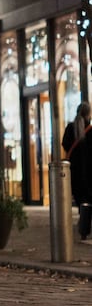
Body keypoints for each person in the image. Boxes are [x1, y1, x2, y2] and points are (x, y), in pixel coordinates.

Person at [63, 102, 92, 241]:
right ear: (88, 114)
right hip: (88, 171)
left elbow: (64, 144)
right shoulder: (90, 130)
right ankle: (84, 226)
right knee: (88, 199)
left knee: (81, 199)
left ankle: (83, 228)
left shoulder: (70, 128)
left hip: (74, 171)